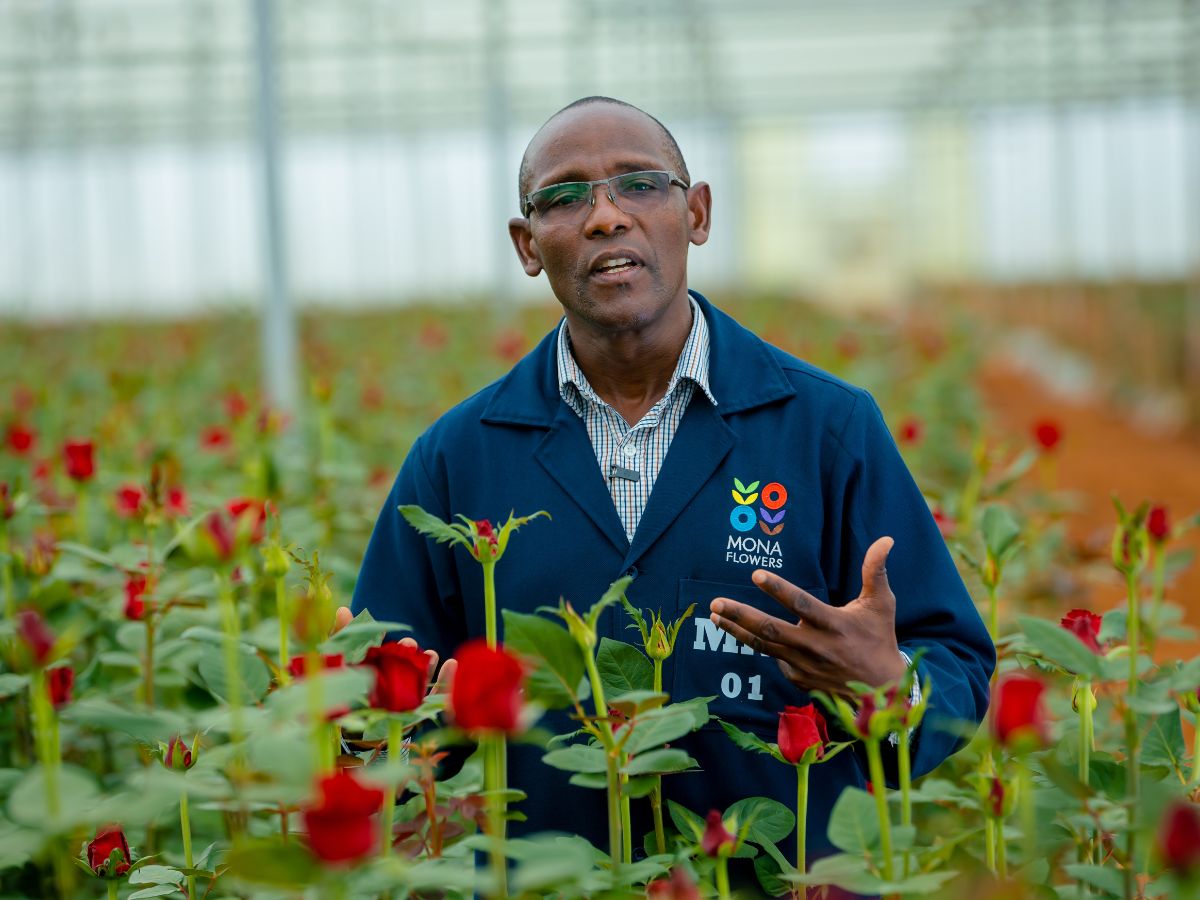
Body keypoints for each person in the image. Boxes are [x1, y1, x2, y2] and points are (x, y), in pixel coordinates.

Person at [347, 96, 995, 862]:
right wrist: (375, 727)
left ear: (697, 213)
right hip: (552, 881)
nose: (605, 217)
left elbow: (955, 661)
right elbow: (381, 704)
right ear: (527, 245)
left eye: (641, 185)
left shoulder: (828, 428)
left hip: (781, 877)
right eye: (564, 197)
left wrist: (890, 685)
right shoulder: (458, 457)